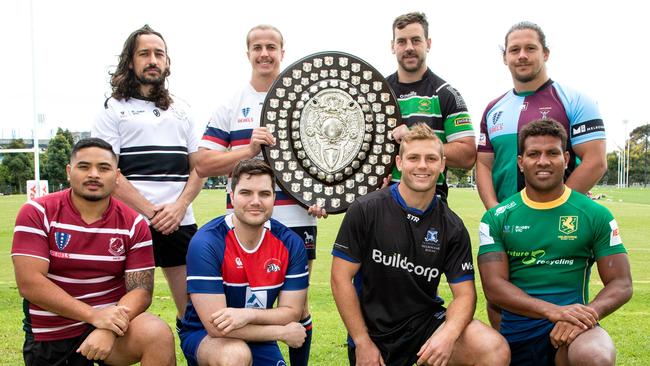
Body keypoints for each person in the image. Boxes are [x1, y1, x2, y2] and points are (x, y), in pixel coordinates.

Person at [195, 24, 322, 365]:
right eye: (257, 47)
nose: (264, 53)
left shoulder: (308, 102)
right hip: (242, 220)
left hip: (296, 217)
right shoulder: (232, 103)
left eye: (271, 47)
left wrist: (325, 193)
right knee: (237, 300)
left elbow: (327, 157)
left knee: (298, 304)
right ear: (248, 53)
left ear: (283, 52)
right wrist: (247, 150)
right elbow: (203, 162)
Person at [331, 124, 509, 366]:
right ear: (400, 162)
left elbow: (465, 295)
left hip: (425, 327)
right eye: (414, 157)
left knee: (492, 348)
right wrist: (361, 341)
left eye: (431, 158)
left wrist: (447, 336)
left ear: (442, 164)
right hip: (373, 333)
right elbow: (340, 279)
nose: (423, 166)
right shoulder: (366, 210)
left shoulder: (452, 227)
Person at [477, 119, 632, 366]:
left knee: (595, 356)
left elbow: (621, 283)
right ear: (520, 162)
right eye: (533, 154)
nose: (543, 161)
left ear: (566, 159)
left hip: (574, 331)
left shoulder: (595, 215)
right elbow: (494, 287)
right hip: (516, 336)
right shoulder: (497, 217)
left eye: (552, 153)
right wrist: (554, 311)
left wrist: (585, 315)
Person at [11, 138, 175, 365]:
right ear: (69, 171)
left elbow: (141, 289)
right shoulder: (37, 212)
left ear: (117, 176)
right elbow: (30, 283)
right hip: (52, 333)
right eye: (84, 166)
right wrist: (94, 316)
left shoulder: (134, 223)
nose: (94, 174)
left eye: (104, 168)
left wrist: (109, 327)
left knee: (156, 334)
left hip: (110, 325)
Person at [92, 24, 204, 325]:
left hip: (180, 222)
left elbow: (201, 166)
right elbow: (107, 171)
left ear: (167, 62)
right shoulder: (113, 109)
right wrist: (152, 212)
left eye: (159, 54)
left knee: (194, 312)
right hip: (131, 224)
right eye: (145, 54)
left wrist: (178, 208)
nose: (153, 60)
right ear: (131, 61)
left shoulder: (183, 110)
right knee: (124, 311)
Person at [179, 159, 309, 366]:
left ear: (274, 198)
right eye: (246, 193)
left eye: (264, 194)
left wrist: (245, 314)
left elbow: (291, 312)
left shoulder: (290, 243)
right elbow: (215, 326)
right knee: (235, 356)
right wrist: (281, 332)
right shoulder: (207, 242)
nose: (256, 201)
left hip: (258, 335)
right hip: (206, 336)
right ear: (232, 196)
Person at [476, 21, 607, 210]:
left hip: (559, 221)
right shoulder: (492, 109)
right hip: (506, 223)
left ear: (545, 53)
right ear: (505, 57)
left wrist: (552, 209)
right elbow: (484, 164)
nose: (522, 56)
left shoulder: (576, 101)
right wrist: (494, 209)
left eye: (530, 48)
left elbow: (596, 162)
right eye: (514, 50)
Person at [387, 11, 476, 201]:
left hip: (431, 206)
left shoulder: (446, 94)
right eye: (402, 41)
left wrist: (413, 139)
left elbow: (468, 155)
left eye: (416, 40)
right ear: (392, 46)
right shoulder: (378, 93)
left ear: (428, 44)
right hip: (383, 206)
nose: (409, 47)